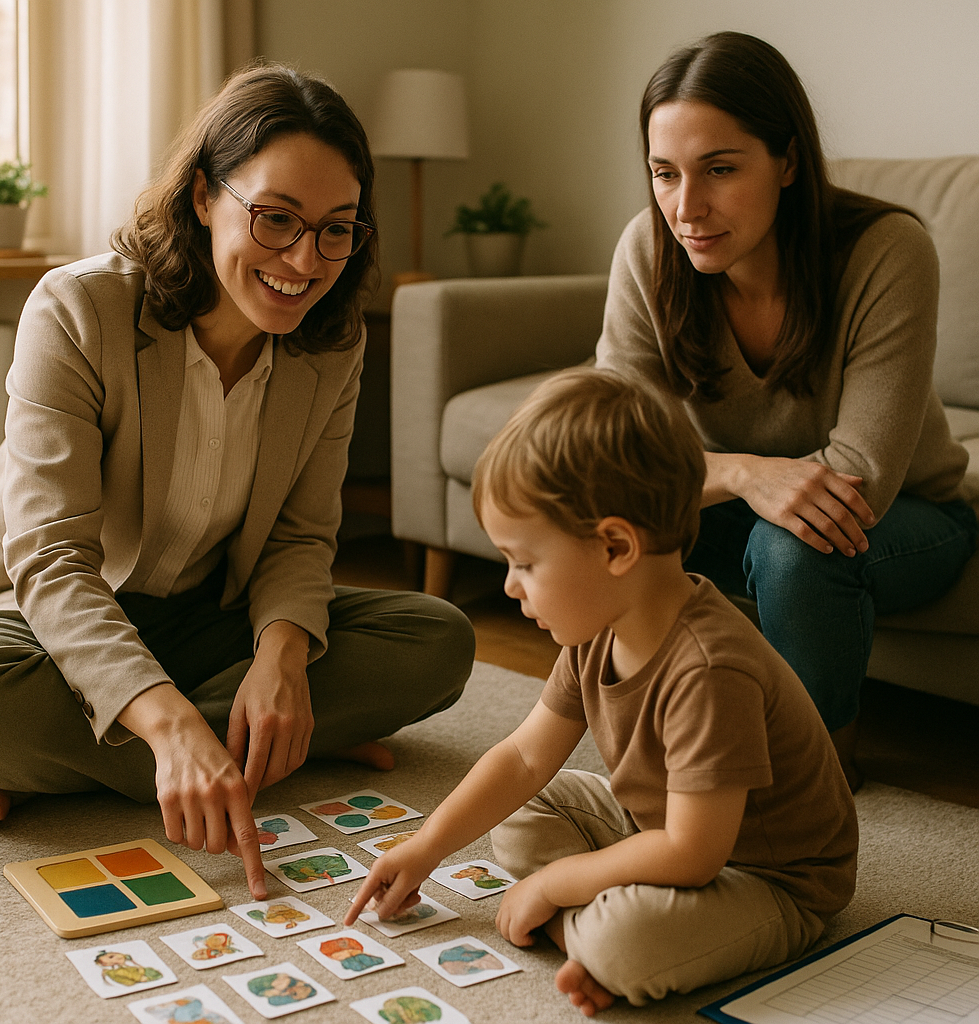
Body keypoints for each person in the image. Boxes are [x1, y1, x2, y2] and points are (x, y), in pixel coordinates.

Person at [0, 63, 473, 901]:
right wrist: (167, 725)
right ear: (203, 196)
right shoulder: (77, 309)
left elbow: (303, 535)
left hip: (207, 613)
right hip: (41, 613)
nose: (305, 261)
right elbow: (50, 562)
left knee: (439, 640)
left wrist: (281, 657)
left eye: (338, 229)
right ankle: (201, 746)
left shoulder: (331, 343)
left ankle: (73, 763)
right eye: (275, 220)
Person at [346, 367, 858, 1015]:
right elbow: (526, 758)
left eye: (525, 563)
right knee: (524, 817)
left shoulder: (709, 668)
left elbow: (694, 854)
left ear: (616, 547)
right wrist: (425, 845)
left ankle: (591, 940)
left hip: (772, 878)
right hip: (662, 826)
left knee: (625, 943)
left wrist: (558, 883)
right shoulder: (597, 627)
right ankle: (585, 926)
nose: (509, 585)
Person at [594, 31, 977, 786]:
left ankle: (817, 770)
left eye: (721, 170)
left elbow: (858, 482)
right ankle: (637, 734)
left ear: (789, 161)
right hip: (734, 503)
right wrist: (740, 475)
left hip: (910, 517)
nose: (686, 207)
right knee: (602, 520)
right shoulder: (649, 249)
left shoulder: (888, 249)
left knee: (794, 543)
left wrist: (738, 485)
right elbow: (608, 455)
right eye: (664, 174)